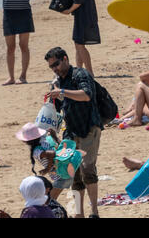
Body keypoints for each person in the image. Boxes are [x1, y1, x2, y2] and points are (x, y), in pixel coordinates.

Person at [45, 47, 103, 218]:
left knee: (88, 169)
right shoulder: (57, 81)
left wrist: (62, 92)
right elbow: (58, 110)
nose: (54, 68)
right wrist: (53, 99)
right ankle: (79, 214)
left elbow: (86, 95)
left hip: (89, 128)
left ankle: (94, 212)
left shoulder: (80, 74)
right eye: (51, 67)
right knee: (73, 173)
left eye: (56, 64)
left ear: (65, 59)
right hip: (70, 131)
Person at [0, 0, 38, 85]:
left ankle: (23, 76)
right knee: (10, 47)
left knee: (24, 46)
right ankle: (11, 77)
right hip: (9, 14)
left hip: (24, 14)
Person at [61, 0, 100, 77]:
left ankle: (89, 72)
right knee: (78, 43)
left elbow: (78, 0)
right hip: (87, 13)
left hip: (83, 15)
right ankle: (79, 70)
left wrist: (68, 10)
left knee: (80, 45)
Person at [15, 123, 72, 200]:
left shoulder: (37, 151)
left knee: (50, 200)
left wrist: (47, 169)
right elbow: (61, 149)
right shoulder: (47, 141)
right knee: (52, 198)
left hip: (61, 176)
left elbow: (52, 154)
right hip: (68, 170)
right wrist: (55, 137)